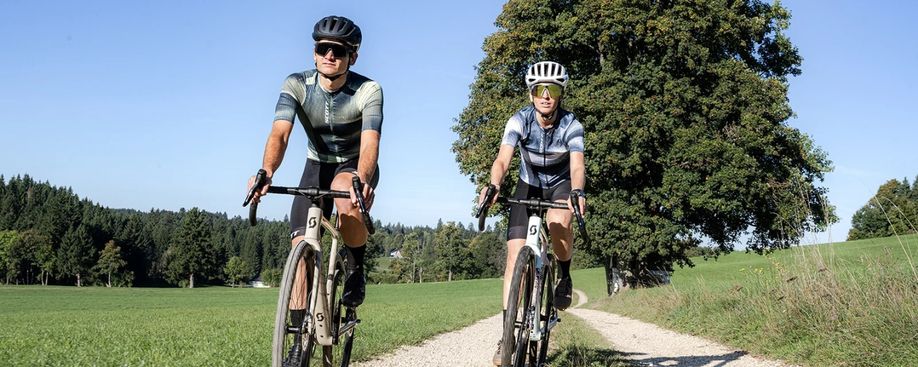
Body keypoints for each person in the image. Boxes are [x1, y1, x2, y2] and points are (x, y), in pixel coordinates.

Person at [247, 14, 382, 328]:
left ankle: (355, 267)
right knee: (300, 245)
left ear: (353, 56)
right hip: (316, 164)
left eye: (339, 50)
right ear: (314, 52)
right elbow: (280, 134)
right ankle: (297, 336)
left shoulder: (368, 90)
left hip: (353, 164)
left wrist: (361, 179)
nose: (329, 55)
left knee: (346, 192)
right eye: (323, 48)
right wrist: (266, 171)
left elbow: (370, 141)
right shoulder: (296, 84)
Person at [477, 61, 586, 365]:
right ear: (531, 94)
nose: (546, 96)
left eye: (553, 90)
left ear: (561, 93)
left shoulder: (572, 125)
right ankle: (507, 336)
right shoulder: (519, 121)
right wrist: (494, 184)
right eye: (540, 90)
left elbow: (577, 166)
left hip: (560, 185)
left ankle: (564, 275)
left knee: (558, 221)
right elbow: (502, 159)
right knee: (514, 257)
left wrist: (578, 192)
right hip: (528, 185)